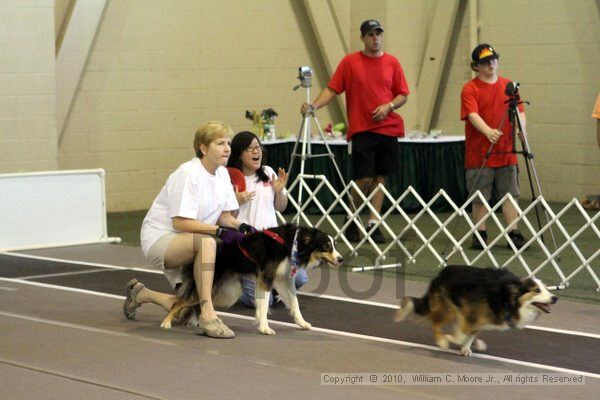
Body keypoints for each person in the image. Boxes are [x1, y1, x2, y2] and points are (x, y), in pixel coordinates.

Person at [123, 121, 254, 339]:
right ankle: (208, 314)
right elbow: (180, 223)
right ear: (203, 148)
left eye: (228, 143)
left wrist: (243, 227)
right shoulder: (188, 173)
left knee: (187, 313)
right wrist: (219, 232)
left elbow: (225, 217)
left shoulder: (222, 175)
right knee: (208, 242)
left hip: (191, 239)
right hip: (162, 238)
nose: (227, 148)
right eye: (220, 143)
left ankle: (142, 294)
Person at [300, 19, 409, 244]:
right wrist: (314, 106)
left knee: (380, 178)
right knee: (363, 179)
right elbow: (333, 89)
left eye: (378, 33)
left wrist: (388, 106)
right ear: (363, 38)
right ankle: (351, 218)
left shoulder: (392, 63)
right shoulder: (350, 63)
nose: (375, 38)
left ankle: (373, 222)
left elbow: (402, 94)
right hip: (362, 130)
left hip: (388, 129)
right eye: (370, 34)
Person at [226, 131, 309, 307]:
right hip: (248, 245)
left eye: (258, 147)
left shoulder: (268, 172)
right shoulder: (229, 178)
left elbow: (281, 207)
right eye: (250, 148)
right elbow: (225, 217)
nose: (257, 152)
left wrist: (278, 191)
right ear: (239, 153)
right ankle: (235, 282)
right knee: (260, 301)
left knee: (300, 278)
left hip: (273, 243)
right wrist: (236, 200)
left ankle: (268, 284)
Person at [460, 44, 528, 250]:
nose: (490, 64)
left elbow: (520, 111)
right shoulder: (470, 88)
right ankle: (479, 232)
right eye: (484, 62)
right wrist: (488, 131)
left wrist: (521, 129)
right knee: (480, 196)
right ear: (476, 66)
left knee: (510, 194)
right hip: (479, 153)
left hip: (507, 151)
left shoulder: (509, 86)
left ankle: (513, 232)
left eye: (493, 59)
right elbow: (472, 115)